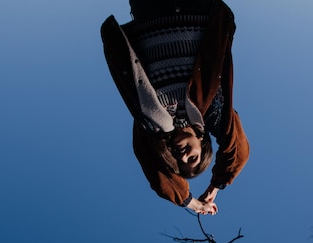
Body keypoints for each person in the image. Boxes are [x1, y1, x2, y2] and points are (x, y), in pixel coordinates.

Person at [101, 0, 249, 215]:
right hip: (197, 7)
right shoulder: (212, 112)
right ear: (202, 144)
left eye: (178, 161)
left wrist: (189, 202)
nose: (182, 156)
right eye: (193, 158)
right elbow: (237, 152)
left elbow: (156, 172)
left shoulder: (152, 126)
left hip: (149, 9)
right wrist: (216, 185)